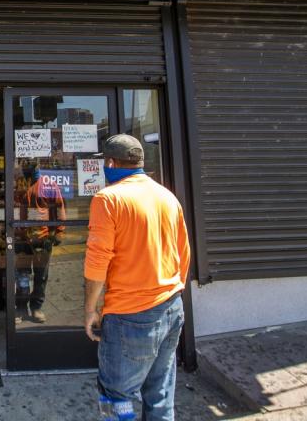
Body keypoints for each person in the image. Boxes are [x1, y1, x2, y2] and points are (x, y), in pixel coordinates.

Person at [83, 134, 191, 421]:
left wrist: (90, 310)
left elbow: (97, 265)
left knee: (117, 396)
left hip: (129, 315)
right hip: (172, 306)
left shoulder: (108, 199)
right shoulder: (167, 196)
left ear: (109, 163)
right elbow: (184, 255)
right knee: (160, 395)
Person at [13, 166, 67, 324]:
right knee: (27, 275)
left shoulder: (46, 185)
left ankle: (34, 308)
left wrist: (59, 231)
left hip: (41, 239)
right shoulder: (19, 184)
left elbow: (59, 207)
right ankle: (23, 308)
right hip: (22, 237)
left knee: (37, 275)